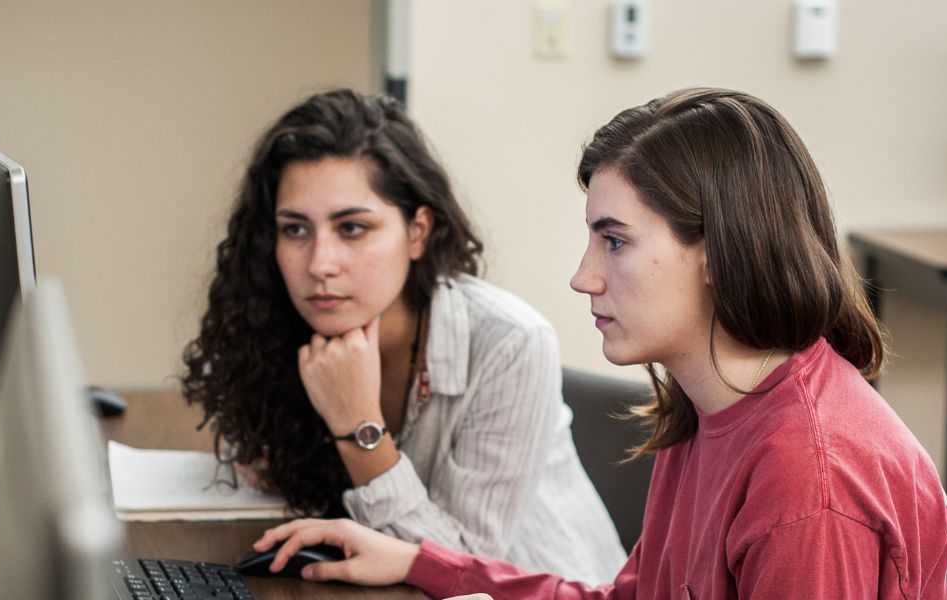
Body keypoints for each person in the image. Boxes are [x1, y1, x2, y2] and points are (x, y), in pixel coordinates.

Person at [250, 88, 947, 599]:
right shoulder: (711, 405)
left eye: (615, 241)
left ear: (721, 251)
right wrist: (422, 564)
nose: (583, 277)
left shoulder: (808, 481)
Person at [181, 89, 627, 582]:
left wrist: (356, 425)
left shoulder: (510, 341)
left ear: (417, 232)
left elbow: (461, 563)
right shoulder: (293, 324)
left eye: (351, 228)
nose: (318, 264)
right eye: (295, 230)